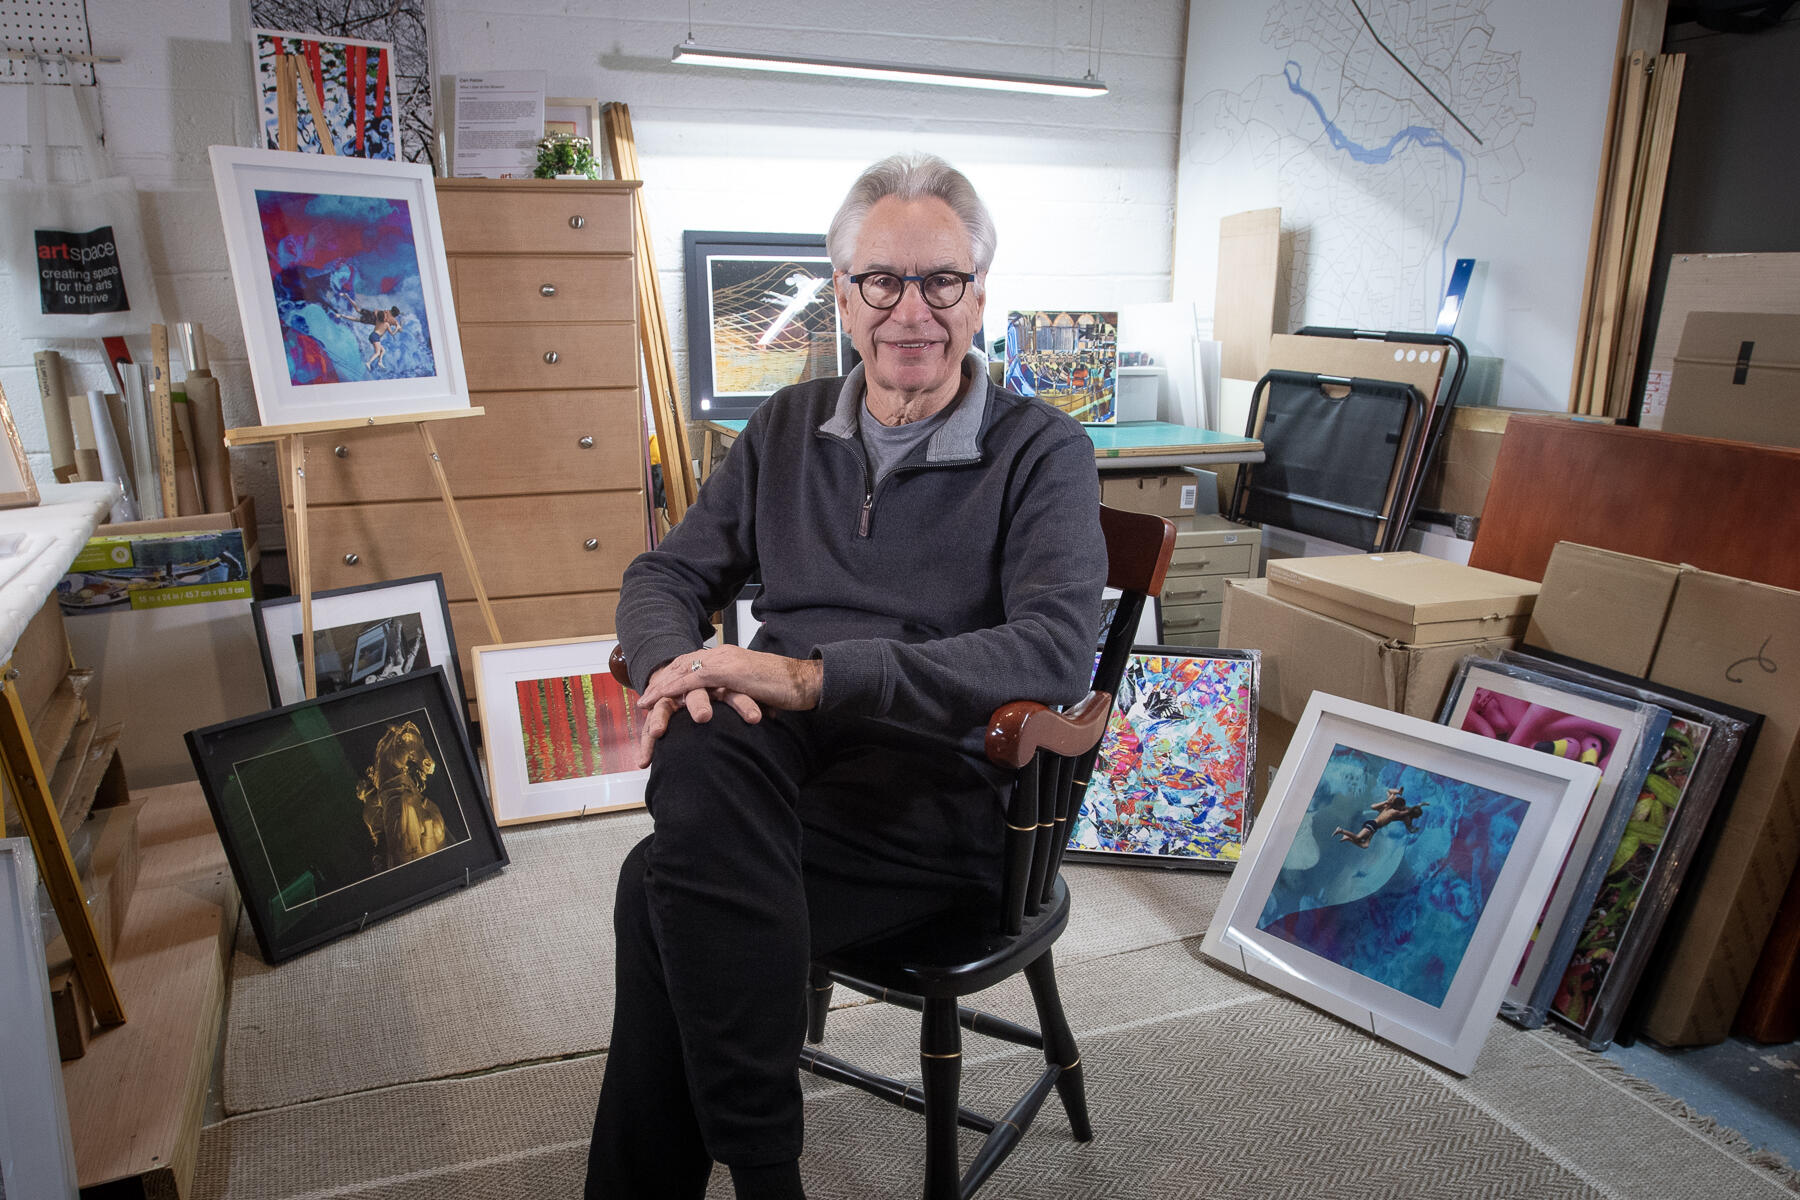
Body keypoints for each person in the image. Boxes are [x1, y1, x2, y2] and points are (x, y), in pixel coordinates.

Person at [584, 153, 1108, 1200]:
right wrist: (677, 668)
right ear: (841, 294)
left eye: (941, 281)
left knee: (657, 890)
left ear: (979, 293)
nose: (911, 311)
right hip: (785, 770)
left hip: (943, 790)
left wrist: (816, 679)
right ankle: (765, 1175)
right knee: (702, 736)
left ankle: (755, 1174)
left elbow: (1054, 648)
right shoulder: (786, 426)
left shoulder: (1042, 451)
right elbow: (666, 574)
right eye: (882, 281)